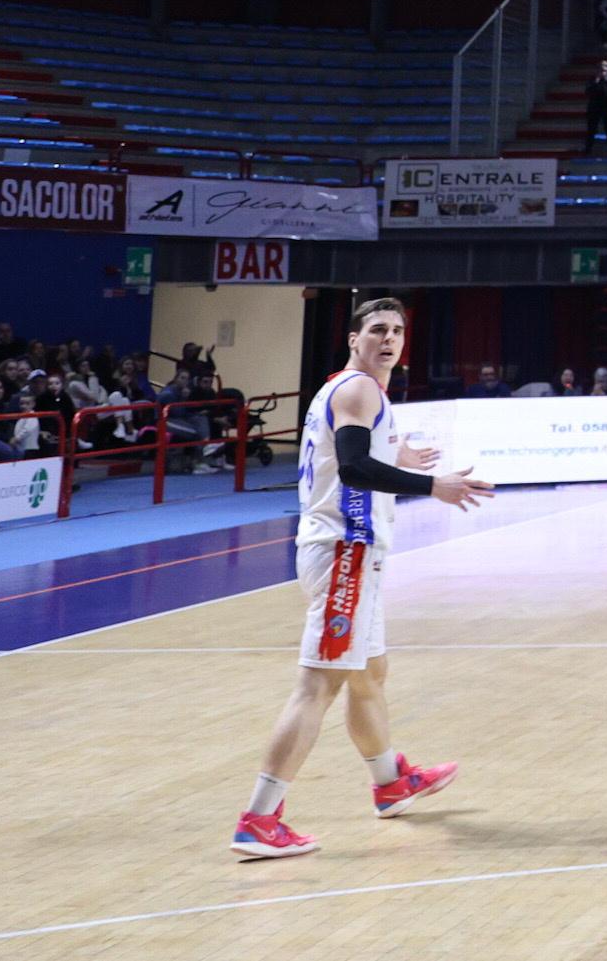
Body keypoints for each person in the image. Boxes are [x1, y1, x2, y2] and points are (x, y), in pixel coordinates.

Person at [231, 297, 493, 858]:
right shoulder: (359, 388)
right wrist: (431, 486)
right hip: (344, 552)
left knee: (371, 673)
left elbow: (350, 453)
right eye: (377, 329)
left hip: (351, 552)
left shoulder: (352, 391)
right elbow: (352, 467)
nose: (389, 338)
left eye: (397, 330)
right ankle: (259, 817)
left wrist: (399, 453)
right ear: (354, 339)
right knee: (317, 685)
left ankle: (390, 781)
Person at [584, 61, 607, 153]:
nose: (602, 71)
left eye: (604, 69)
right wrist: (597, 81)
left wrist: (605, 79)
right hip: (594, 107)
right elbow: (588, 91)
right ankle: (588, 148)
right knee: (591, 129)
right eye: (600, 69)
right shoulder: (592, 79)